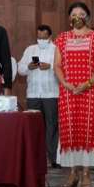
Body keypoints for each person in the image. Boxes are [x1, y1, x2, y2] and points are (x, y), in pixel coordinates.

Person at [54, 2, 94, 187]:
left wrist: (88, 83)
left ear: (88, 17)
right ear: (69, 18)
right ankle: (72, 171)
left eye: (82, 13)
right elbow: (57, 65)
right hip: (68, 92)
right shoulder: (61, 38)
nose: (78, 16)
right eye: (74, 13)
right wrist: (66, 83)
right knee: (70, 129)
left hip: (91, 91)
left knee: (88, 129)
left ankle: (86, 172)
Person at [18, 25, 59, 168]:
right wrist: (29, 66)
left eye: (44, 37)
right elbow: (20, 69)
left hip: (51, 93)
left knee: (51, 125)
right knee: (33, 126)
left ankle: (54, 158)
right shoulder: (30, 50)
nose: (41, 39)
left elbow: (63, 69)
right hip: (33, 94)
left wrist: (51, 67)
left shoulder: (56, 50)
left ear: (50, 37)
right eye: (39, 37)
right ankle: (34, 158)